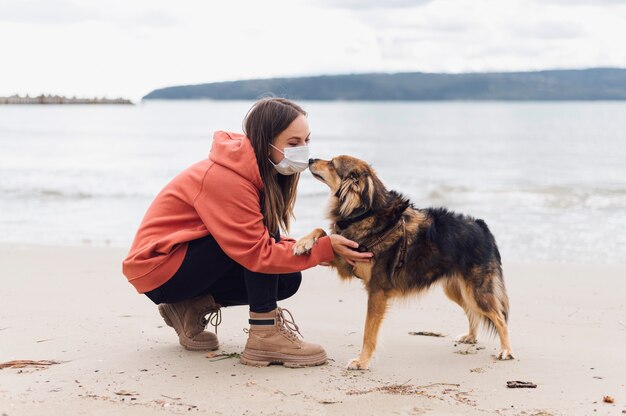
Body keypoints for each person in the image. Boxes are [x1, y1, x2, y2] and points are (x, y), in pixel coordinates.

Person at [121, 97, 373, 367]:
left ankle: (188, 307)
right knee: (265, 241)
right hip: (159, 268)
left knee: (288, 279)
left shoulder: (258, 171)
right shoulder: (228, 178)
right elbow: (258, 251)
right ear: (267, 142)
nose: (304, 151)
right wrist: (324, 247)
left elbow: (259, 244)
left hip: (182, 263)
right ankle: (264, 335)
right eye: (293, 143)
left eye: (306, 141)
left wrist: (321, 250)